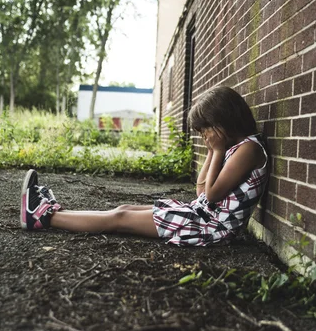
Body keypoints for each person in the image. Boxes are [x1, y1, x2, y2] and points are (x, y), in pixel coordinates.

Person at [20, 86, 269, 246]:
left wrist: (217, 150)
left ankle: (44, 217)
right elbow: (201, 192)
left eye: (205, 129)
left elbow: (212, 195)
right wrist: (212, 151)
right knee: (123, 207)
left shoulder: (249, 149)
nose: (205, 136)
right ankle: (48, 211)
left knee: (120, 218)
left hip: (212, 227)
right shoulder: (233, 148)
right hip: (201, 214)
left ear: (224, 119)